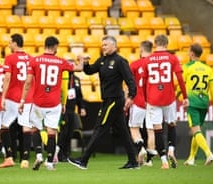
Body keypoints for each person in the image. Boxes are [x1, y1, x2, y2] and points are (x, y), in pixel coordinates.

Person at [68, 35, 139, 170]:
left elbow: (130, 80)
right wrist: (85, 63)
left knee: (99, 128)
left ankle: (83, 160)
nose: (103, 47)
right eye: (102, 45)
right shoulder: (102, 60)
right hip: (108, 100)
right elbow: (89, 71)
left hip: (114, 100)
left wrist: (131, 96)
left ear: (114, 46)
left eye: (106, 45)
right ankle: (133, 162)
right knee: (123, 132)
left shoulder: (120, 61)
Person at [19, 36, 83, 171]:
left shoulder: (34, 60)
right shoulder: (60, 61)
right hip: (54, 103)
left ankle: (38, 154)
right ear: (54, 47)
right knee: (51, 131)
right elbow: (79, 68)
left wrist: (23, 101)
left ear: (45, 45)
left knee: (35, 128)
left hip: (37, 102)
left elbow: (28, 82)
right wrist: (82, 59)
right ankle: (49, 162)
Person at [141, 34, 189, 169]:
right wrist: (185, 97)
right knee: (172, 124)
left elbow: (143, 82)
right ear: (167, 44)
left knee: (157, 129)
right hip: (169, 98)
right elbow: (180, 79)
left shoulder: (148, 59)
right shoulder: (172, 58)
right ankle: (171, 150)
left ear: (155, 44)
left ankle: (163, 161)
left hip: (153, 99)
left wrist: (145, 99)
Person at [0, 33, 34, 168]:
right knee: (26, 127)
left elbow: (7, 78)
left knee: (4, 126)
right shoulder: (31, 59)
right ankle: (25, 160)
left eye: (10, 42)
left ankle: (9, 157)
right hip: (27, 98)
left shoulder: (10, 58)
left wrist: (3, 97)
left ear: (15, 43)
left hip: (13, 97)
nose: (9, 45)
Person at [182, 43, 213, 166]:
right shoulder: (208, 68)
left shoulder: (187, 67)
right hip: (204, 103)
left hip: (192, 102)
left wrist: (178, 95)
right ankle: (191, 158)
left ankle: (209, 154)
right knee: (196, 130)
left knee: (196, 130)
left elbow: (181, 85)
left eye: (188, 51)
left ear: (192, 53)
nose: (188, 53)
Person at [128, 41, 157, 166]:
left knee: (134, 128)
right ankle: (149, 161)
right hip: (153, 101)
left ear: (141, 50)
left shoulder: (134, 64)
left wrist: (127, 99)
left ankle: (141, 148)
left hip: (138, 101)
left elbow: (129, 84)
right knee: (151, 130)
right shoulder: (156, 64)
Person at [57, 58, 87, 162]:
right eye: (71, 65)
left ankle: (67, 154)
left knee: (70, 133)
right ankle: (59, 154)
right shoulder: (61, 77)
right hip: (62, 109)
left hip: (72, 110)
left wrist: (82, 107)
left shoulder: (77, 80)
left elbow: (79, 96)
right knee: (63, 133)